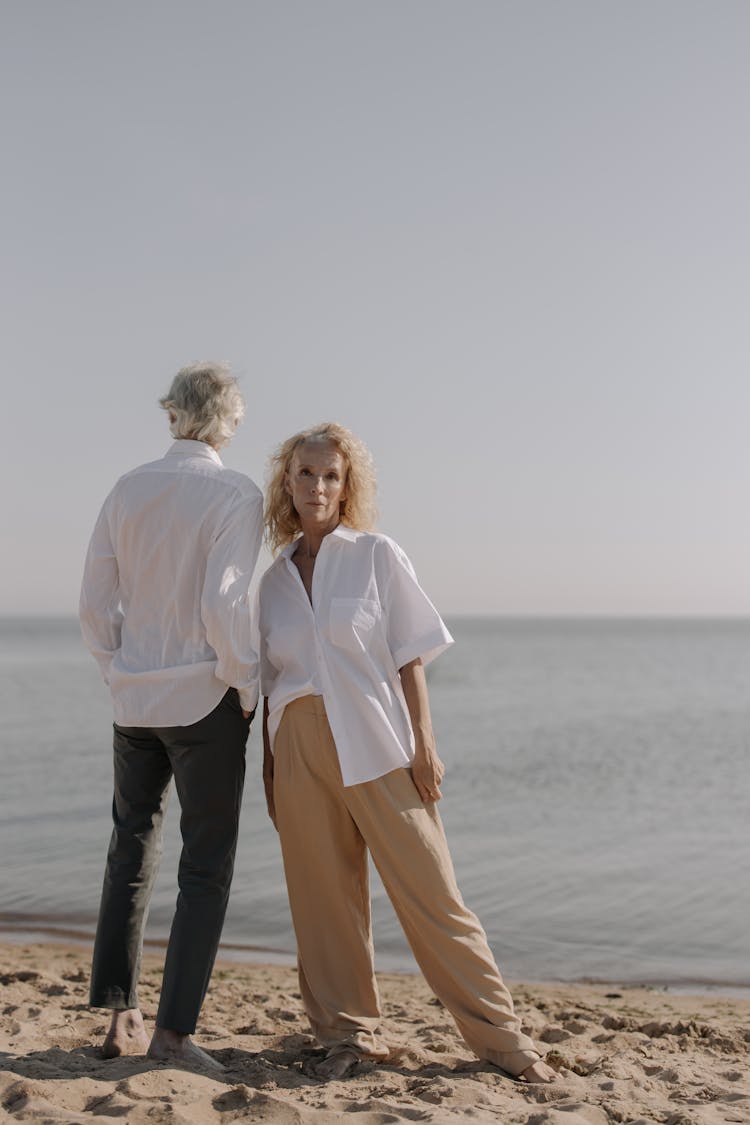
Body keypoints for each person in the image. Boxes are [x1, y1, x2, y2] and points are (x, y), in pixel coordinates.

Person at [257, 422, 556, 1084]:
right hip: (297, 746)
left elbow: (409, 653)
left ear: (347, 484)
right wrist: (270, 766)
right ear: (288, 481)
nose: (317, 486)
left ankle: (502, 1038)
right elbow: (271, 681)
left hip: (377, 742)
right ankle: (348, 1035)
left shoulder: (376, 555)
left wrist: (425, 740)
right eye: (305, 473)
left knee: (433, 892)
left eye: (331, 474)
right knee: (323, 900)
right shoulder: (272, 581)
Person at [80, 362, 263, 1069]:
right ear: (229, 421)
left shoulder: (127, 488)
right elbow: (225, 606)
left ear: (171, 414)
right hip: (203, 698)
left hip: (135, 701)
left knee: (129, 848)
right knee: (205, 865)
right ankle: (174, 1035)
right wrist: (244, 686)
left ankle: (120, 1018)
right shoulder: (236, 494)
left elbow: (95, 605)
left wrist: (121, 672)